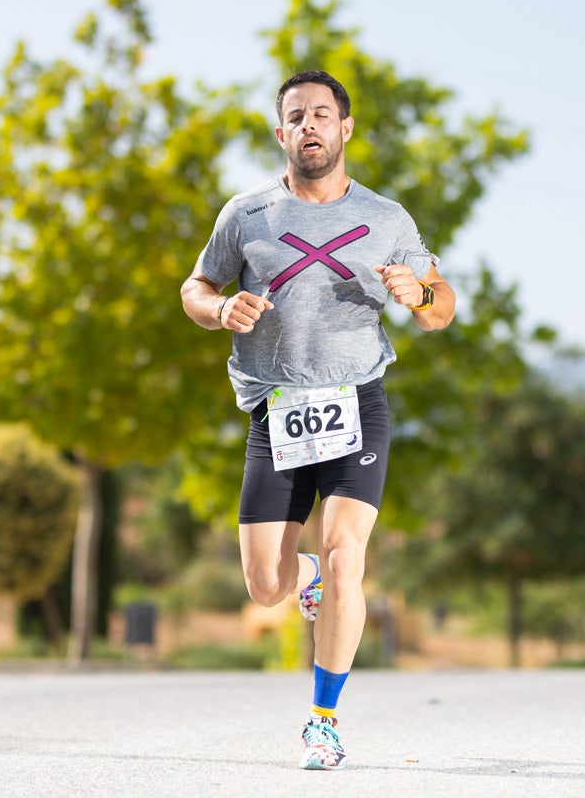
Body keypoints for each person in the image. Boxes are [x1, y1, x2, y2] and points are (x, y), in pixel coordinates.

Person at [180, 70, 455, 770]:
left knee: (346, 556)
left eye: (322, 114)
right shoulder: (246, 215)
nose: (309, 125)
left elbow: (440, 311)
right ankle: (302, 582)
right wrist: (218, 310)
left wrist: (419, 287)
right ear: (281, 134)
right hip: (276, 410)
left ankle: (324, 720)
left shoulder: (388, 219)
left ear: (345, 129)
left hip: (356, 404)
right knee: (264, 586)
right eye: (295, 116)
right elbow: (197, 285)